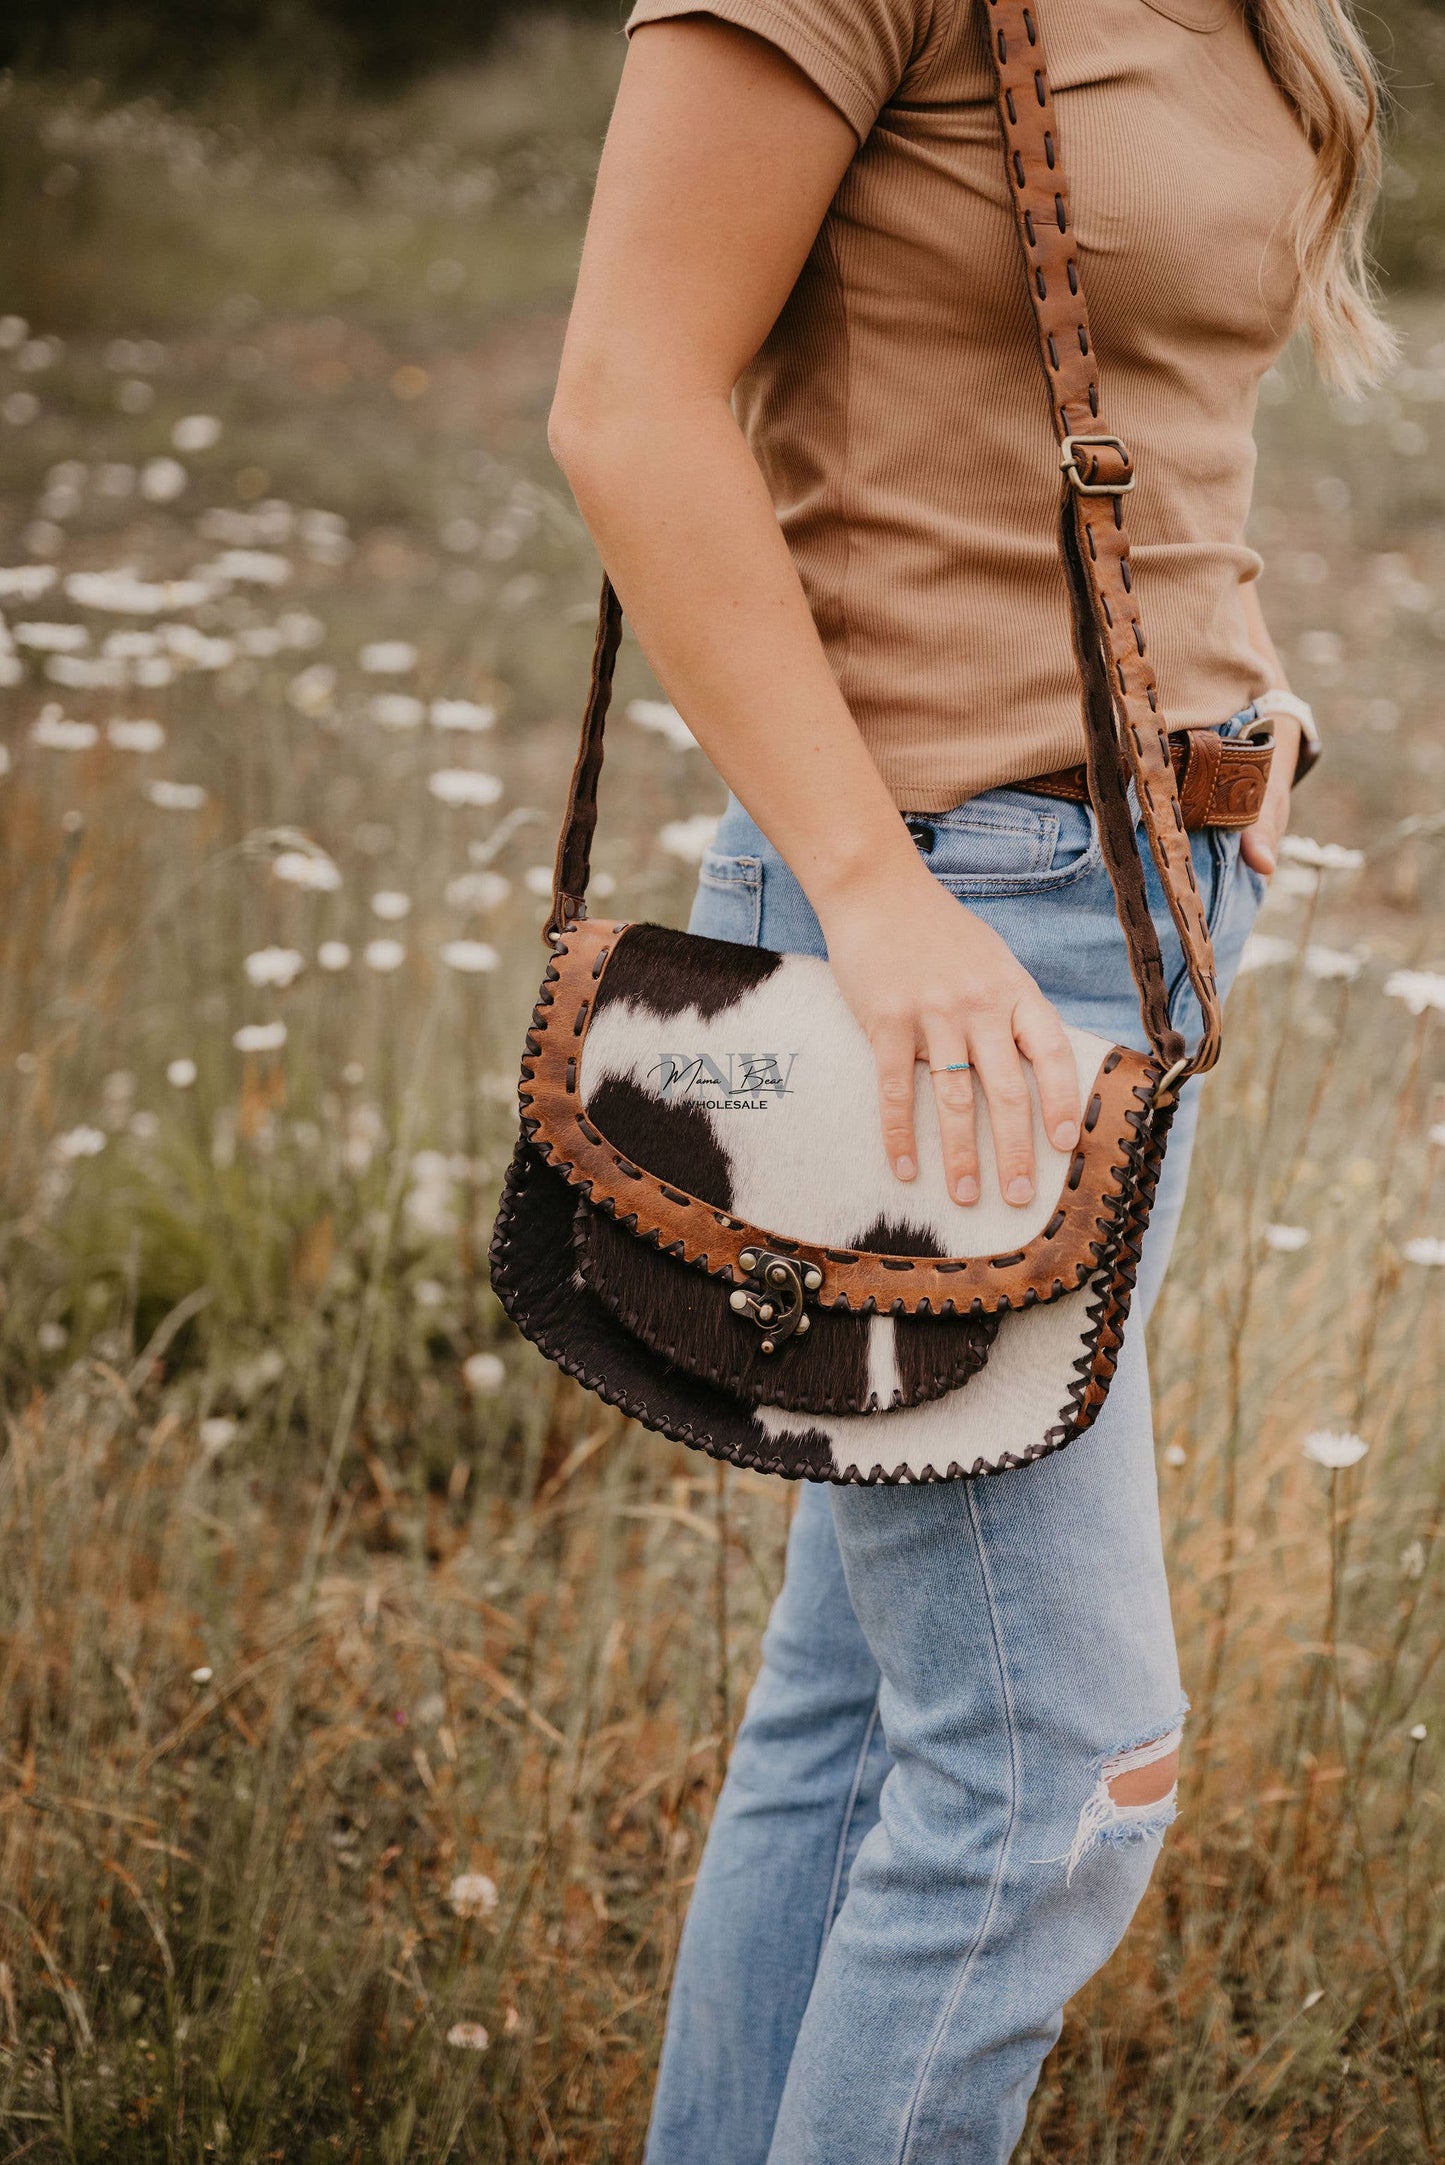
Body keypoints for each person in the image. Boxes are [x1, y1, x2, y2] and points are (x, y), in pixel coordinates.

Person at [545, 0, 1392, 2156]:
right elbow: (629, 406)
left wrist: (1238, 681)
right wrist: (868, 892)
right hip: (938, 929)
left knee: (855, 1726)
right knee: (1055, 1776)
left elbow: (1122, 395)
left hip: (1136, 909)